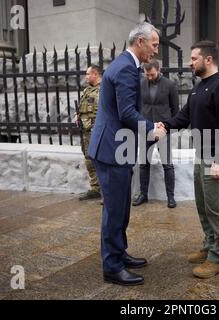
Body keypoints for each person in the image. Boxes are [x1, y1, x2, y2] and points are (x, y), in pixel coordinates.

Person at [87, 22, 165, 286]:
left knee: (121, 207)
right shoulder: (125, 69)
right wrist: (152, 129)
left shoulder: (127, 65)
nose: (156, 50)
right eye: (154, 44)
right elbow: (126, 113)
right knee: (114, 210)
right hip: (111, 151)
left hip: (116, 148)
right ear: (140, 42)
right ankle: (112, 267)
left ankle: (119, 253)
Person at [159, 41, 219, 279]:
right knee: (204, 207)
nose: (190, 62)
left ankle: (218, 259)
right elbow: (184, 116)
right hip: (201, 154)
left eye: (194, 58)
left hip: (215, 157)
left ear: (208, 59)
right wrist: (165, 125)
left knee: (217, 209)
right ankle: (209, 245)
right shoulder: (199, 87)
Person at [133, 59, 179, 209]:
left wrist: (168, 127)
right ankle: (143, 194)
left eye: (152, 74)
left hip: (163, 129)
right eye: (147, 75)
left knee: (167, 165)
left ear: (159, 70)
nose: (149, 77)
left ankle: (171, 197)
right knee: (143, 163)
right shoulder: (141, 83)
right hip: (145, 128)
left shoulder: (170, 85)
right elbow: (137, 106)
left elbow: (175, 110)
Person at [76, 65, 103, 201]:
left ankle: (105, 191)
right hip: (86, 131)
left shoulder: (104, 90)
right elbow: (83, 107)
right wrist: (77, 115)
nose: (86, 76)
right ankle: (95, 189)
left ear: (95, 74)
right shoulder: (87, 90)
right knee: (89, 160)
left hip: (97, 131)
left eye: (87, 74)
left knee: (101, 161)